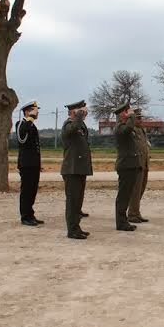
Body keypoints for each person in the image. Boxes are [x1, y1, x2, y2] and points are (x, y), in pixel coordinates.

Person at [60, 99, 93, 240]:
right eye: (81, 111)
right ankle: (72, 230)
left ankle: (76, 227)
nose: (84, 113)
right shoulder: (68, 125)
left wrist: (80, 117)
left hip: (79, 168)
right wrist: (78, 116)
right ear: (73, 112)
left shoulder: (80, 125)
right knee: (72, 201)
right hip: (71, 169)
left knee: (78, 202)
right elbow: (73, 128)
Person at [114, 103, 142, 231]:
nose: (131, 115)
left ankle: (123, 220)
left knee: (127, 194)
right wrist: (131, 117)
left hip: (131, 165)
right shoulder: (120, 128)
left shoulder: (126, 127)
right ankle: (121, 222)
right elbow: (129, 128)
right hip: (125, 166)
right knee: (123, 195)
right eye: (127, 112)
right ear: (122, 115)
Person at [16, 100, 42, 226]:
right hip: (26, 164)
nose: (37, 113)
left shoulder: (32, 125)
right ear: (27, 111)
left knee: (32, 190)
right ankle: (25, 216)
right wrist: (30, 118)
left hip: (34, 164)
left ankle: (30, 214)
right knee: (26, 191)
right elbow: (22, 139)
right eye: (34, 110)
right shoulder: (21, 123)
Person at [127, 108, 151, 223]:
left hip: (144, 164)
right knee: (135, 191)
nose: (141, 120)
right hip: (137, 164)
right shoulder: (131, 130)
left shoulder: (141, 130)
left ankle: (136, 212)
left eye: (141, 118)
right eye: (138, 118)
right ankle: (132, 214)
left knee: (141, 189)